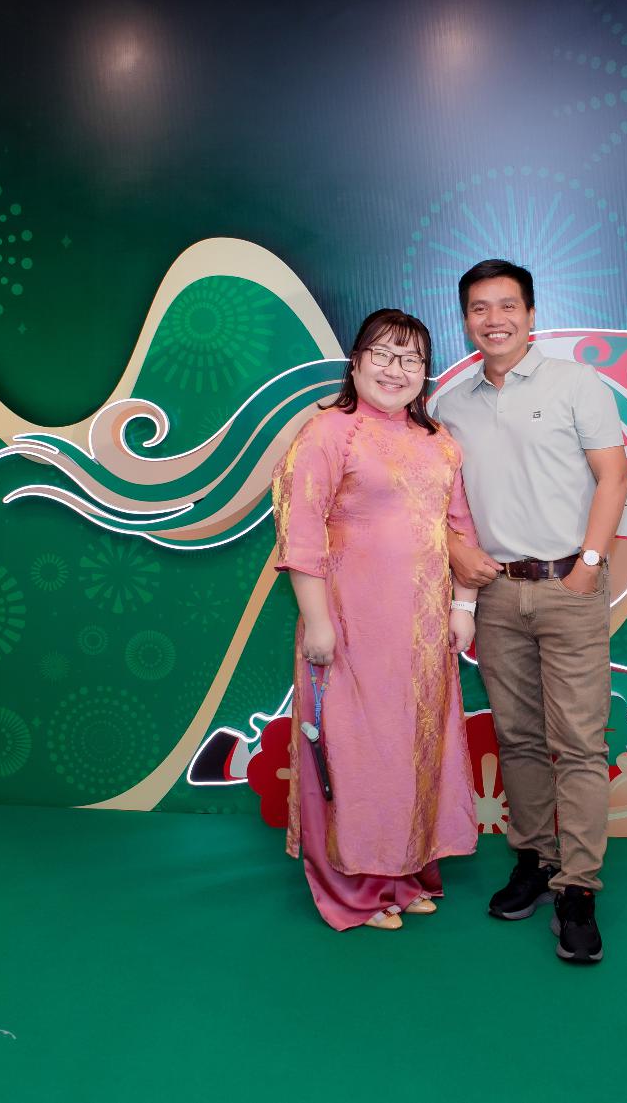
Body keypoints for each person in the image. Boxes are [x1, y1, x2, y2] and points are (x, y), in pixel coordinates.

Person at [435, 259, 627, 965]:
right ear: (466, 320)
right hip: (494, 594)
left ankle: (578, 888)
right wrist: (458, 551)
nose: (495, 319)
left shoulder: (576, 383)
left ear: (531, 313)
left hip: (568, 586)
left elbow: (614, 476)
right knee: (517, 738)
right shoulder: (450, 406)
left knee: (578, 742)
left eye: (507, 305)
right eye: (480, 308)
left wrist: (589, 567)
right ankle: (535, 860)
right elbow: (437, 501)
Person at [270, 308, 481, 931]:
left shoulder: (438, 441)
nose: (396, 370)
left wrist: (463, 606)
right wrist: (317, 623)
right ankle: (353, 890)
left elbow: (460, 527)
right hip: (350, 625)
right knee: (356, 753)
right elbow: (300, 533)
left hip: (422, 633)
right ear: (356, 362)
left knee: (412, 749)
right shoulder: (328, 432)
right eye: (383, 355)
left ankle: (405, 873)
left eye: (411, 359)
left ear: (425, 373)